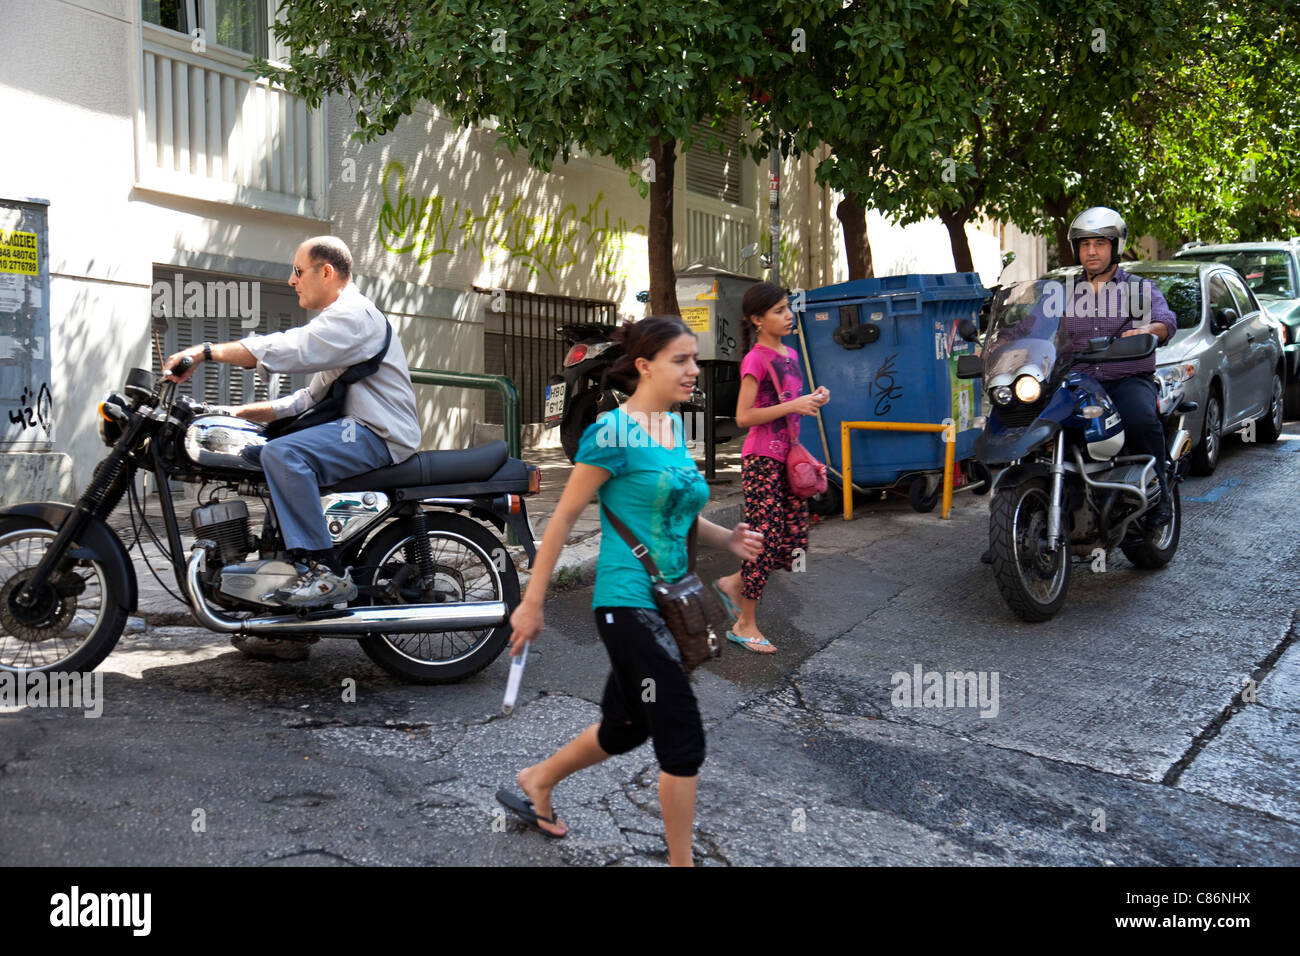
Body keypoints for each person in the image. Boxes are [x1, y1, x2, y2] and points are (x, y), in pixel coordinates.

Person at [500, 316, 763, 865]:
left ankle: (538, 779)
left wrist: (728, 538)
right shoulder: (611, 434)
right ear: (645, 366)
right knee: (681, 733)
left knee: (624, 728)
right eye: (681, 360)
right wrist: (531, 603)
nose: (695, 370)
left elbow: (675, 514)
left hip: (670, 601)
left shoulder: (668, 429)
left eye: (695, 359)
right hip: (627, 604)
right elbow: (564, 518)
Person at [164, 237, 420, 657]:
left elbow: (289, 347)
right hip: (357, 429)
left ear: (327, 272)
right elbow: (304, 400)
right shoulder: (342, 323)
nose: (291, 280)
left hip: (377, 433)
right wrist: (236, 414)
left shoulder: (352, 317)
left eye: (298, 271)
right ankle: (286, 624)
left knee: (284, 454)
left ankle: (323, 569)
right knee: (267, 457)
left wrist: (206, 351)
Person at [711, 282, 829, 653]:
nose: (788, 314)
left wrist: (813, 400)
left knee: (793, 543)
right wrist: (794, 406)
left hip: (788, 458)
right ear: (757, 320)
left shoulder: (791, 355)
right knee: (764, 540)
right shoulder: (756, 358)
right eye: (778, 310)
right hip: (761, 459)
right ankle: (744, 623)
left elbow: (790, 403)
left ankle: (732, 582)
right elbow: (743, 417)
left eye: (787, 307)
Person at [1064, 207, 1177, 526]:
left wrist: (1148, 330)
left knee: (1140, 419)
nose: (1091, 251)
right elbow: (1034, 328)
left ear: (1115, 247)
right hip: (1080, 384)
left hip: (1125, 379)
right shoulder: (1065, 294)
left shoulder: (1135, 291)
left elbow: (1165, 321)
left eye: (1099, 243)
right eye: (1085, 244)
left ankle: (1160, 492)